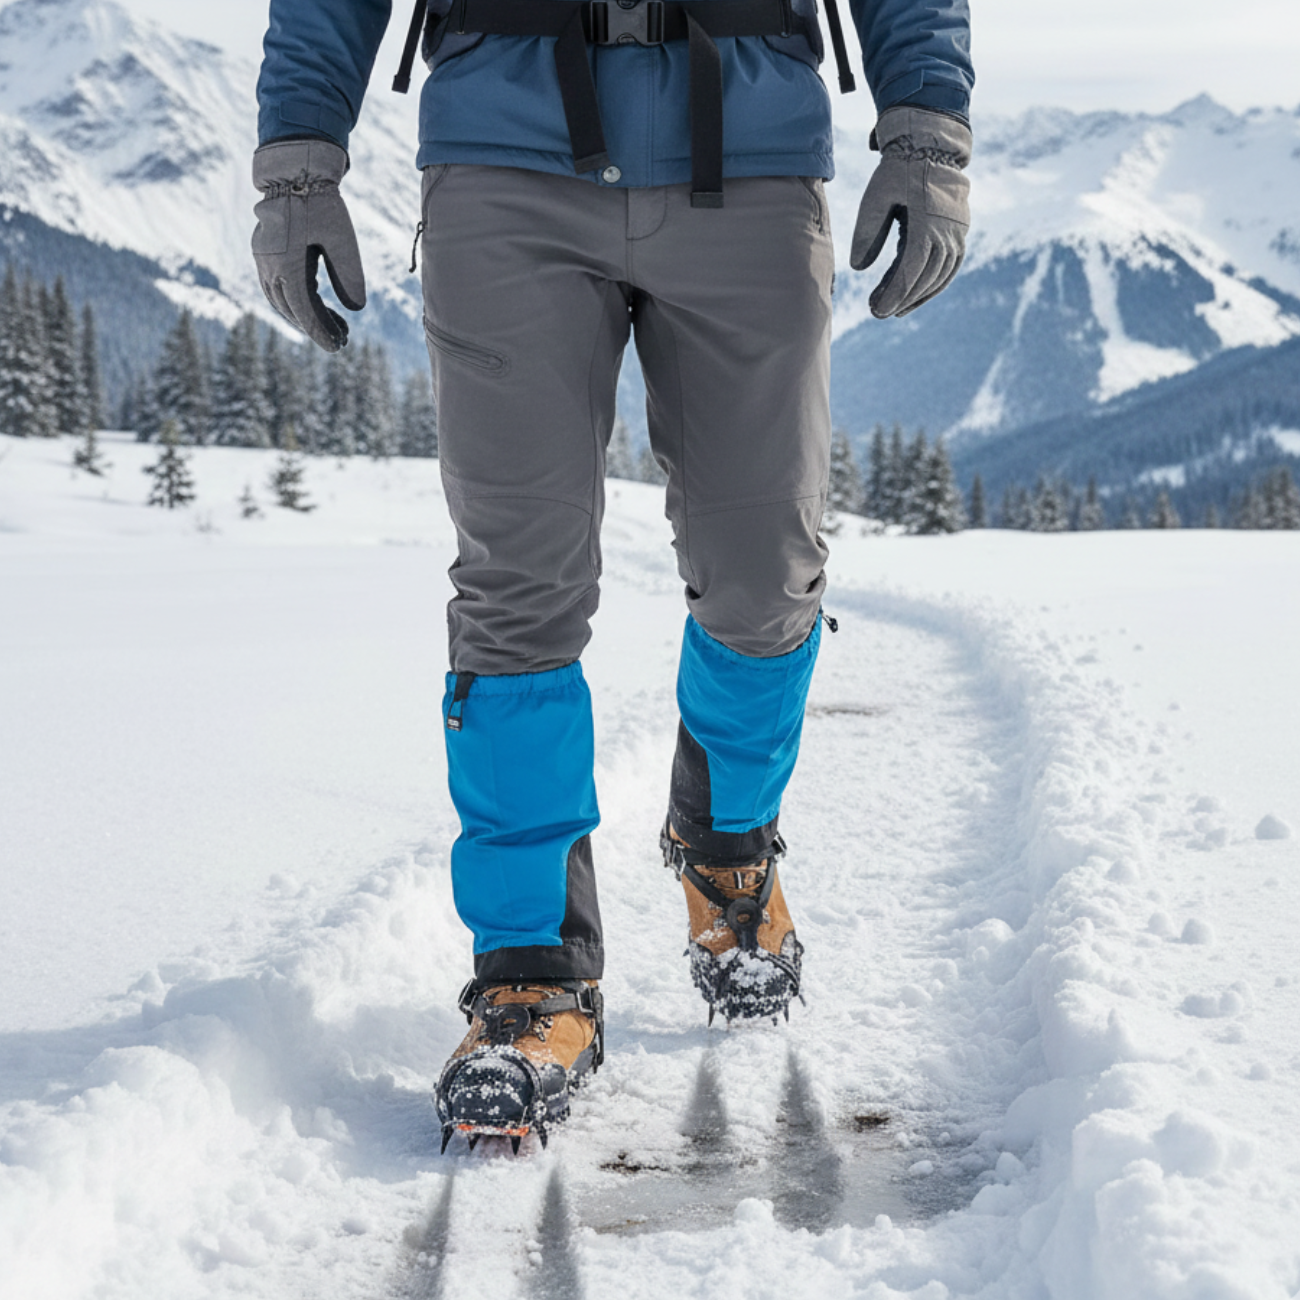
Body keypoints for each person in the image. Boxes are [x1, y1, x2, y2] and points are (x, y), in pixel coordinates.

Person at [252, 0, 972, 1150]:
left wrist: (925, 128)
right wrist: (297, 164)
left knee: (763, 571)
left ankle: (728, 844)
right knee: (515, 586)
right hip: (501, 159)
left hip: (750, 156)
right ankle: (530, 971)